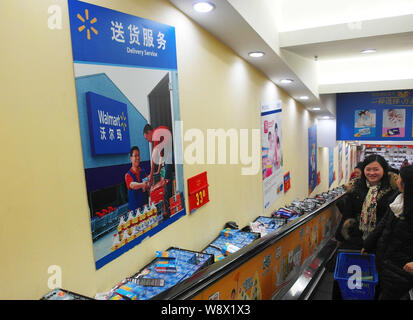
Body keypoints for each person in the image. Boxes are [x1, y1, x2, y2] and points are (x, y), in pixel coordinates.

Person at [331, 154, 399, 299]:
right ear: (364, 170)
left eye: (376, 169)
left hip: (379, 243)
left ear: (384, 170)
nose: (372, 173)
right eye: (368, 169)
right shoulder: (356, 188)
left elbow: (390, 221)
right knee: (348, 278)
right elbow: (347, 215)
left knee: (373, 280)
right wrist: (339, 237)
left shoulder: (392, 192)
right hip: (354, 240)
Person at [361, 165, 413, 300]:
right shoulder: (398, 201)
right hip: (387, 260)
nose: (397, 181)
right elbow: (383, 225)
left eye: (400, 178)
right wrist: (368, 244)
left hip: (403, 267)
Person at [143, 124, 174, 214]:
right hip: (169, 152)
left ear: (149, 133)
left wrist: (151, 176)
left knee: (166, 181)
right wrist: (158, 170)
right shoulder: (158, 135)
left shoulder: (156, 134)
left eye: (146, 138)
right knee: (165, 177)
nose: (148, 141)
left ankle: (168, 209)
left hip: (172, 152)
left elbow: (154, 158)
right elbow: (161, 156)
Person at [125, 146, 149, 211]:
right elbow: (133, 185)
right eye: (135, 156)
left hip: (145, 209)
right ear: (131, 158)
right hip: (134, 212)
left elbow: (147, 185)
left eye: (138, 155)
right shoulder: (128, 175)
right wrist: (143, 185)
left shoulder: (143, 172)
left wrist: (148, 184)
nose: (137, 158)